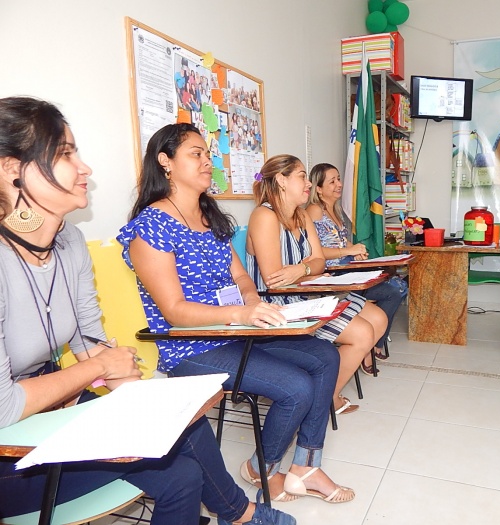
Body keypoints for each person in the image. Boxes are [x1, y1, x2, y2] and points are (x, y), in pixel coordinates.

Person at [0, 97, 294, 525]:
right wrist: (98, 368)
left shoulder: (68, 242)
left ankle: (237, 512)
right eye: (65, 154)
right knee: (182, 468)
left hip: (52, 406)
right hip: (10, 445)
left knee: (182, 443)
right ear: (12, 170)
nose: (85, 168)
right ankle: (240, 513)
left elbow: (88, 339)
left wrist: (131, 388)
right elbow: (6, 405)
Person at [117, 124, 354, 505]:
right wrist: (242, 313)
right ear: (165, 162)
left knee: (326, 355)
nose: (207, 161)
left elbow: (242, 277)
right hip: (192, 346)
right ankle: (263, 468)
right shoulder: (151, 227)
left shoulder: (210, 217)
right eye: (196, 154)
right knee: (297, 388)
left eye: (207, 154)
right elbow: (175, 312)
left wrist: (254, 304)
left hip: (237, 330)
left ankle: (305, 466)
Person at [246, 154, 388, 414]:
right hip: (277, 305)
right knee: (362, 333)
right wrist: (308, 270)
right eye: (302, 176)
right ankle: (327, 399)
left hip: (306, 294)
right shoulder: (264, 216)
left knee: (378, 318)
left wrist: (302, 269)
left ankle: (322, 394)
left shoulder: (301, 215)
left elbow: (320, 260)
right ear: (281, 181)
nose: (308, 183)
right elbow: (274, 279)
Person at [307, 162, 404, 364]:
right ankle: (371, 347)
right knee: (392, 291)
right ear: (318, 188)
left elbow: (341, 241)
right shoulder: (314, 210)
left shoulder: (336, 210)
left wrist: (357, 249)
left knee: (398, 285)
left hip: (348, 269)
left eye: (339, 179)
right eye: (332, 181)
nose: (339, 184)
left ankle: (373, 342)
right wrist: (348, 251)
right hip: (333, 276)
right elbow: (315, 252)